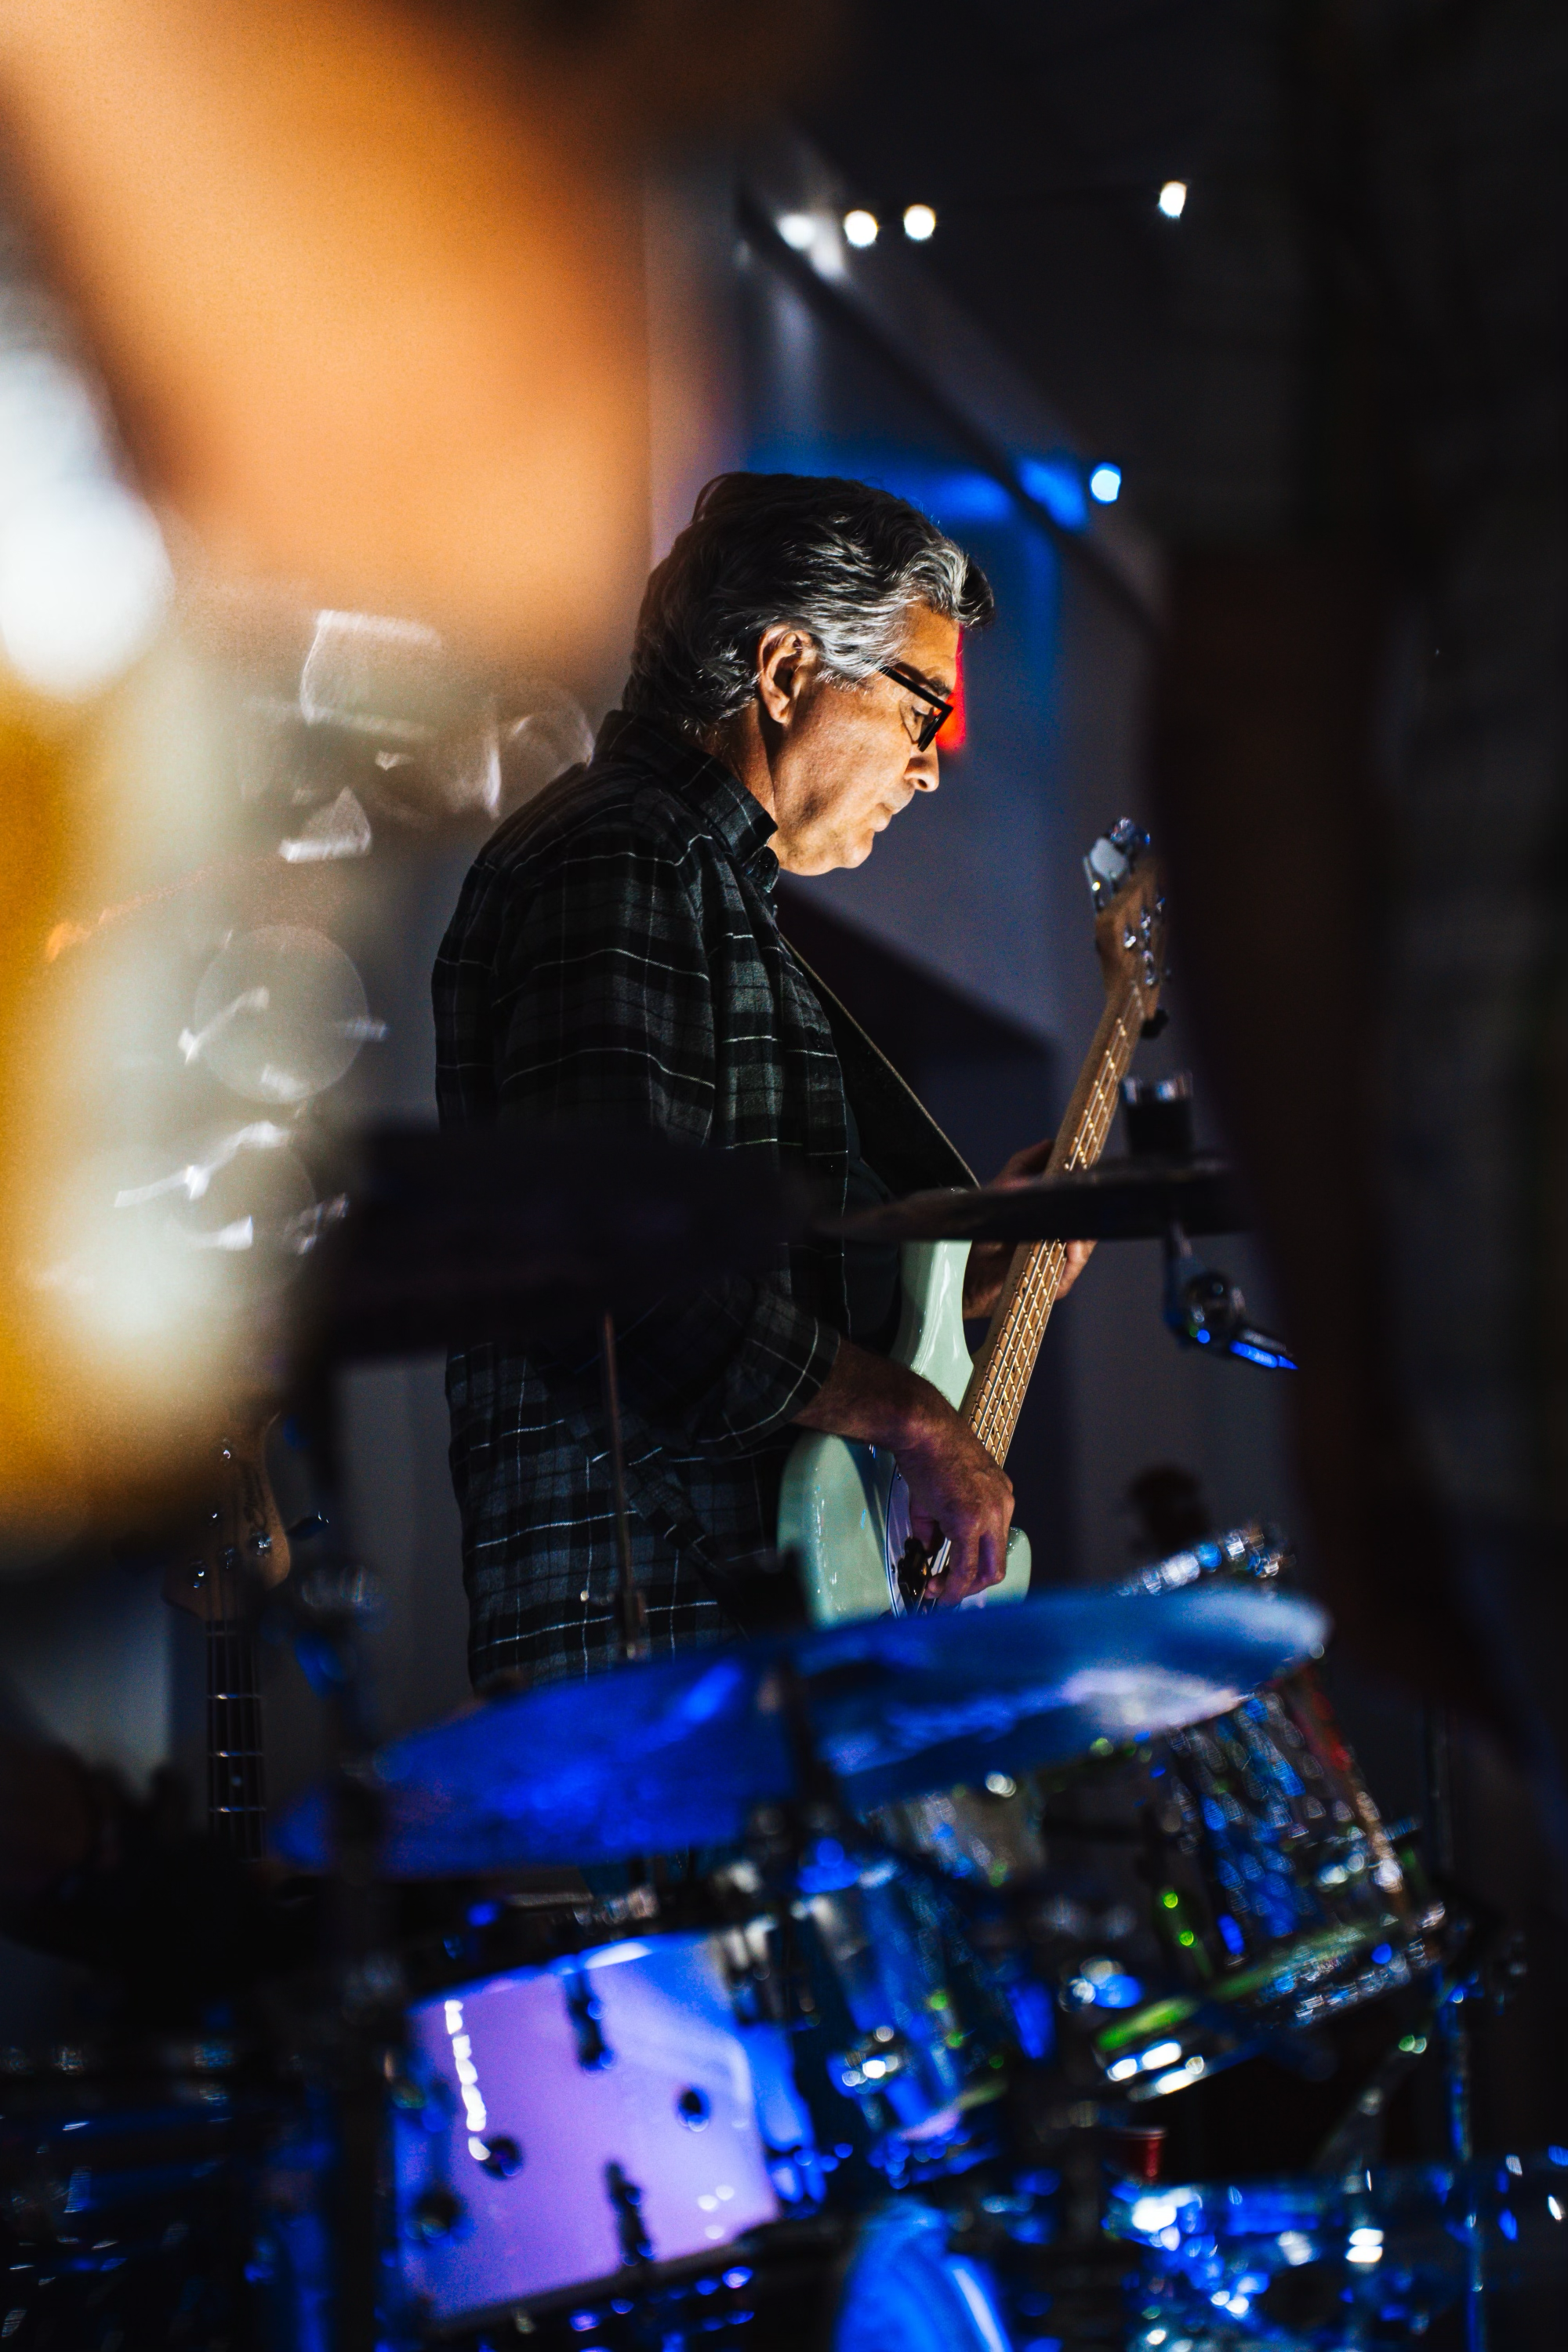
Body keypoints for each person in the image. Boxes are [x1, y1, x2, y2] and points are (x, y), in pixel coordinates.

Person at [433, 471, 1091, 1690]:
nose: (930, 767)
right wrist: (913, 1415)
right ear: (787, 670)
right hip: (652, 1629)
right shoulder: (625, 857)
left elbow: (737, 1279)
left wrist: (969, 1273)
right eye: (922, 711)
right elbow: (620, 1273)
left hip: (719, 1625)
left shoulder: (691, 881)